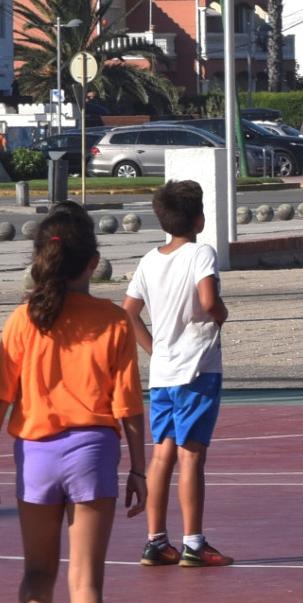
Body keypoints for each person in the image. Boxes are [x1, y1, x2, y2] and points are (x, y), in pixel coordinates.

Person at [0, 206, 148, 603]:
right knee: (86, 580)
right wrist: (139, 469)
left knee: (37, 570)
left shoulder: (22, 320)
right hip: (92, 450)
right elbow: (128, 407)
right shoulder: (113, 321)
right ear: (93, 262)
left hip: (36, 454)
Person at [121, 178, 232, 567]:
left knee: (162, 453)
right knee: (191, 456)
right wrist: (221, 314)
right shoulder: (201, 253)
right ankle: (194, 543)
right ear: (199, 219)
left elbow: (128, 312)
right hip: (197, 370)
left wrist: (154, 350)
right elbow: (208, 299)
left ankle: (155, 541)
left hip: (164, 373)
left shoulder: (150, 260)